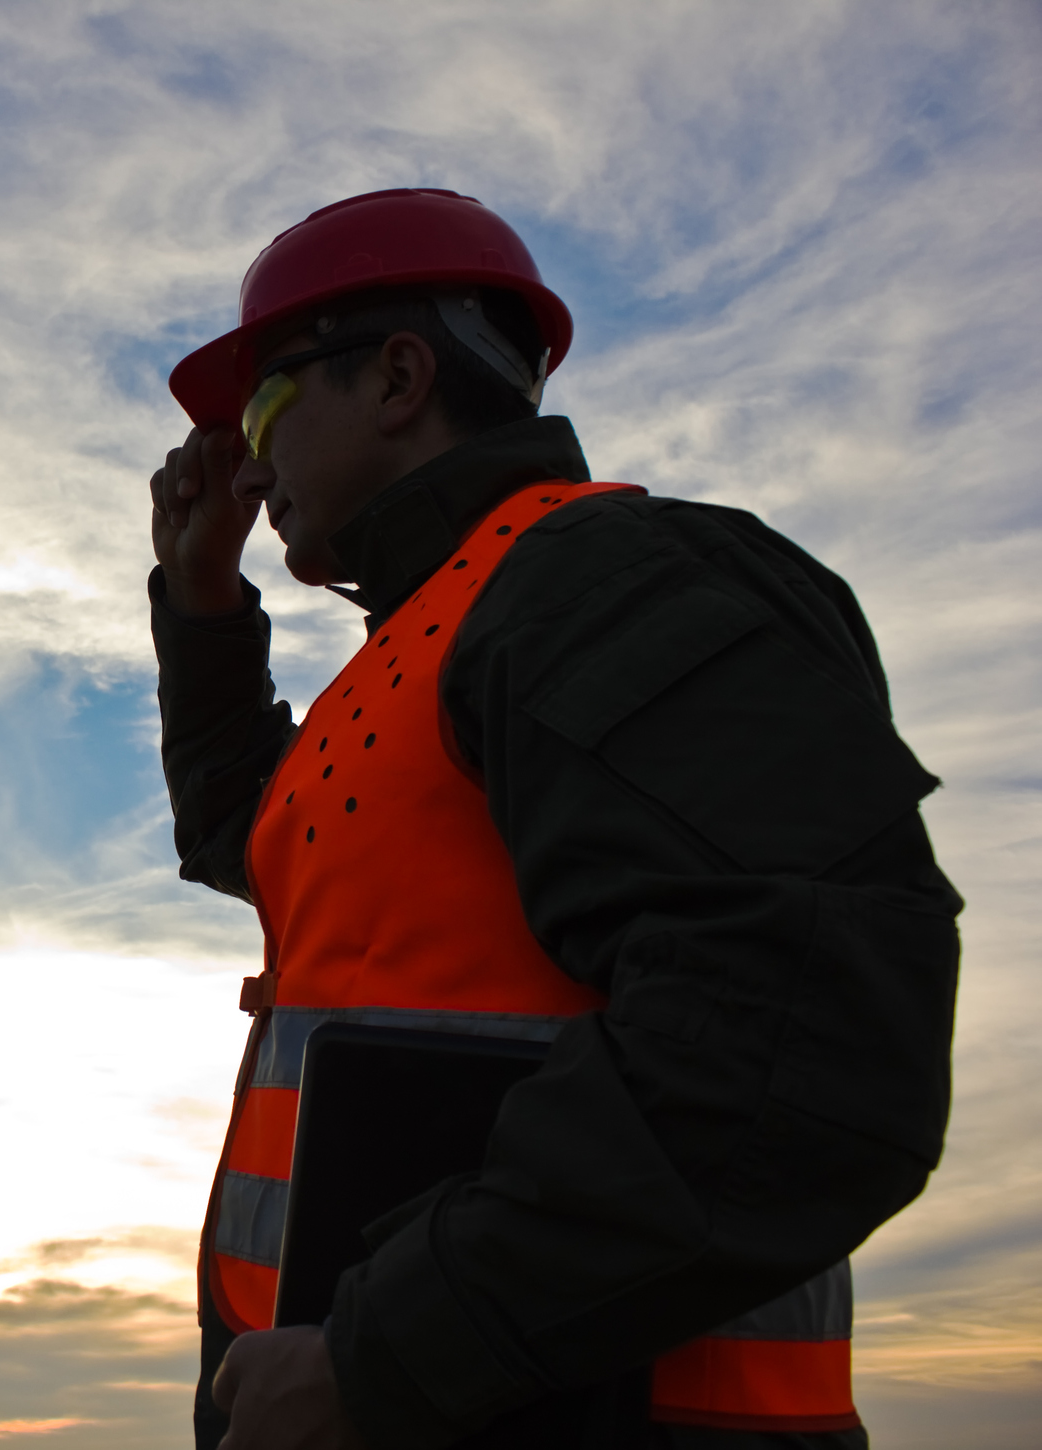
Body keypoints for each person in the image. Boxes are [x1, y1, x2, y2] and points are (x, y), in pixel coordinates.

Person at [146, 189, 961, 1450]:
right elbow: (248, 838)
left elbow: (808, 1041)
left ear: (400, 378)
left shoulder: (602, 585)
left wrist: (379, 1363)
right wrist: (201, 599)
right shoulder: (430, 639)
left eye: (263, 405)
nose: (247, 462)